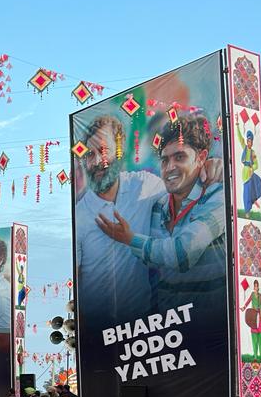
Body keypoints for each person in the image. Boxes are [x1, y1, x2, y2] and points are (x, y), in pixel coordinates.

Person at [96, 115, 226, 313]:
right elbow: (152, 258)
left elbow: (182, 255)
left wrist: (130, 239)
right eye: (165, 160)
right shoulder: (159, 205)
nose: (170, 167)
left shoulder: (217, 196)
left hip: (213, 322)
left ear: (201, 157)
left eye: (180, 157)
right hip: (167, 325)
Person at [76, 115, 164, 324]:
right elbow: (75, 281)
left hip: (142, 327)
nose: (97, 162)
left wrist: (209, 167)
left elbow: (183, 190)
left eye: (104, 151)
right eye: (90, 154)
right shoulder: (79, 215)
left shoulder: (144, 186)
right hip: (95, 331)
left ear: (120, 152)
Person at [237, 122, 261, 213]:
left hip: (250, 172)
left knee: (256, 184)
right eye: (248, 141)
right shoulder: (244, 148)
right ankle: (247, 209)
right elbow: (240, 138)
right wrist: (237, 125)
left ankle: (252, 201)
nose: (249, 143)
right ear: (247, 141)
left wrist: (252, 168)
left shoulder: (253, 152)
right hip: (245, 173)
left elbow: (256, 165)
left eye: (251, 141)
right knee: (246, 191)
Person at [241, 280, 261, 361]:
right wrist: (243, 308)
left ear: (258, 287)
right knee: (254, 338)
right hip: (253, 317)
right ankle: (255, 355)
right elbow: (248, 301)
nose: (256, 287)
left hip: (260, 317)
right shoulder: (252, 294)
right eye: (255, 286)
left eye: (257, 286)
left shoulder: (260, 295)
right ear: (254, 287)